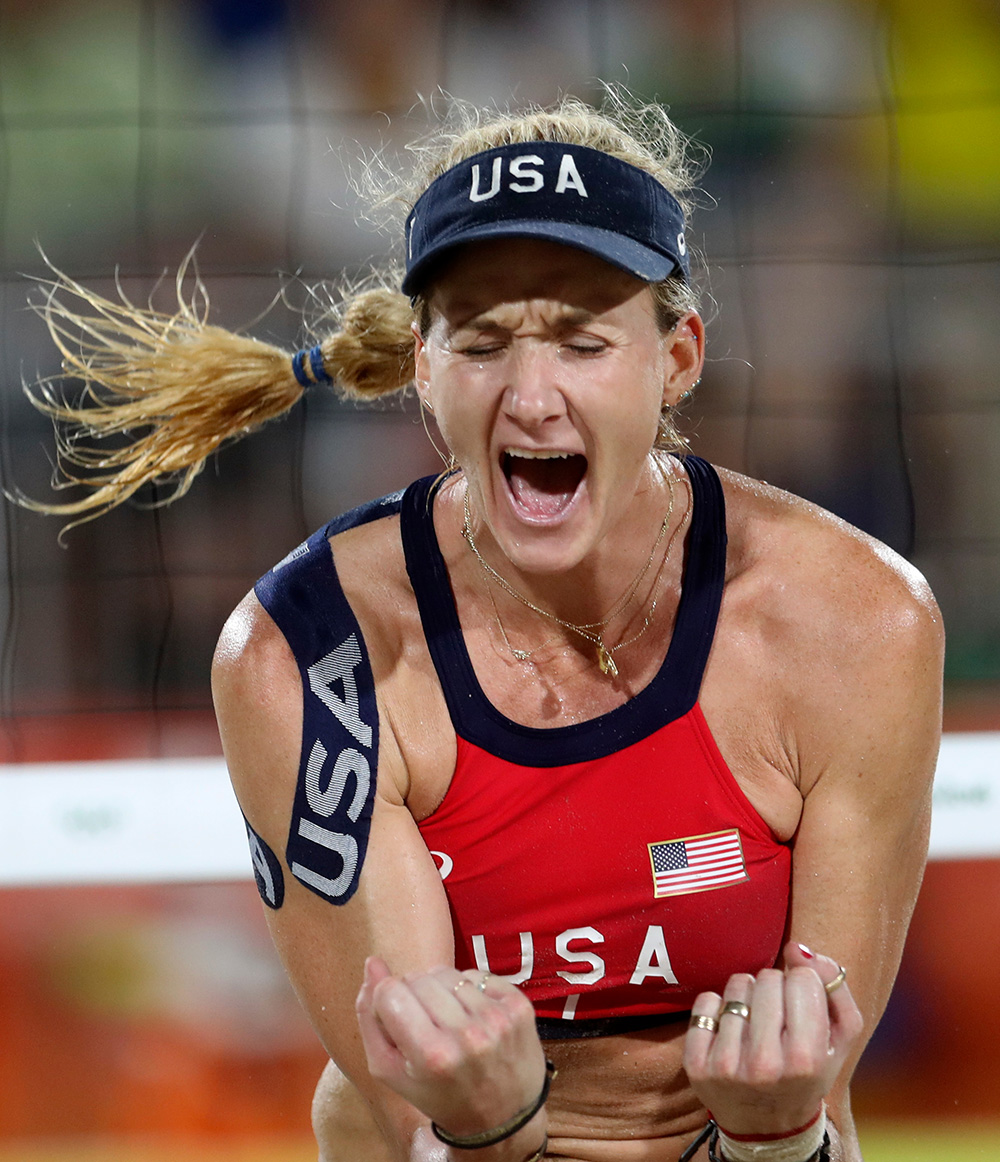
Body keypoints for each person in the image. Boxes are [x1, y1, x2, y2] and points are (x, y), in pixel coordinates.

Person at [21, 91, 943, 1162]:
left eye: (582, 341)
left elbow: (808, 1089)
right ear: (421, 363)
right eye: (483, 342)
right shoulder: (311, 653)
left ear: (677, 356)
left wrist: (774, 1135)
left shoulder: (855, 621)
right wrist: (487, 1127)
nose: (531, 396)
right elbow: (413, 1116)